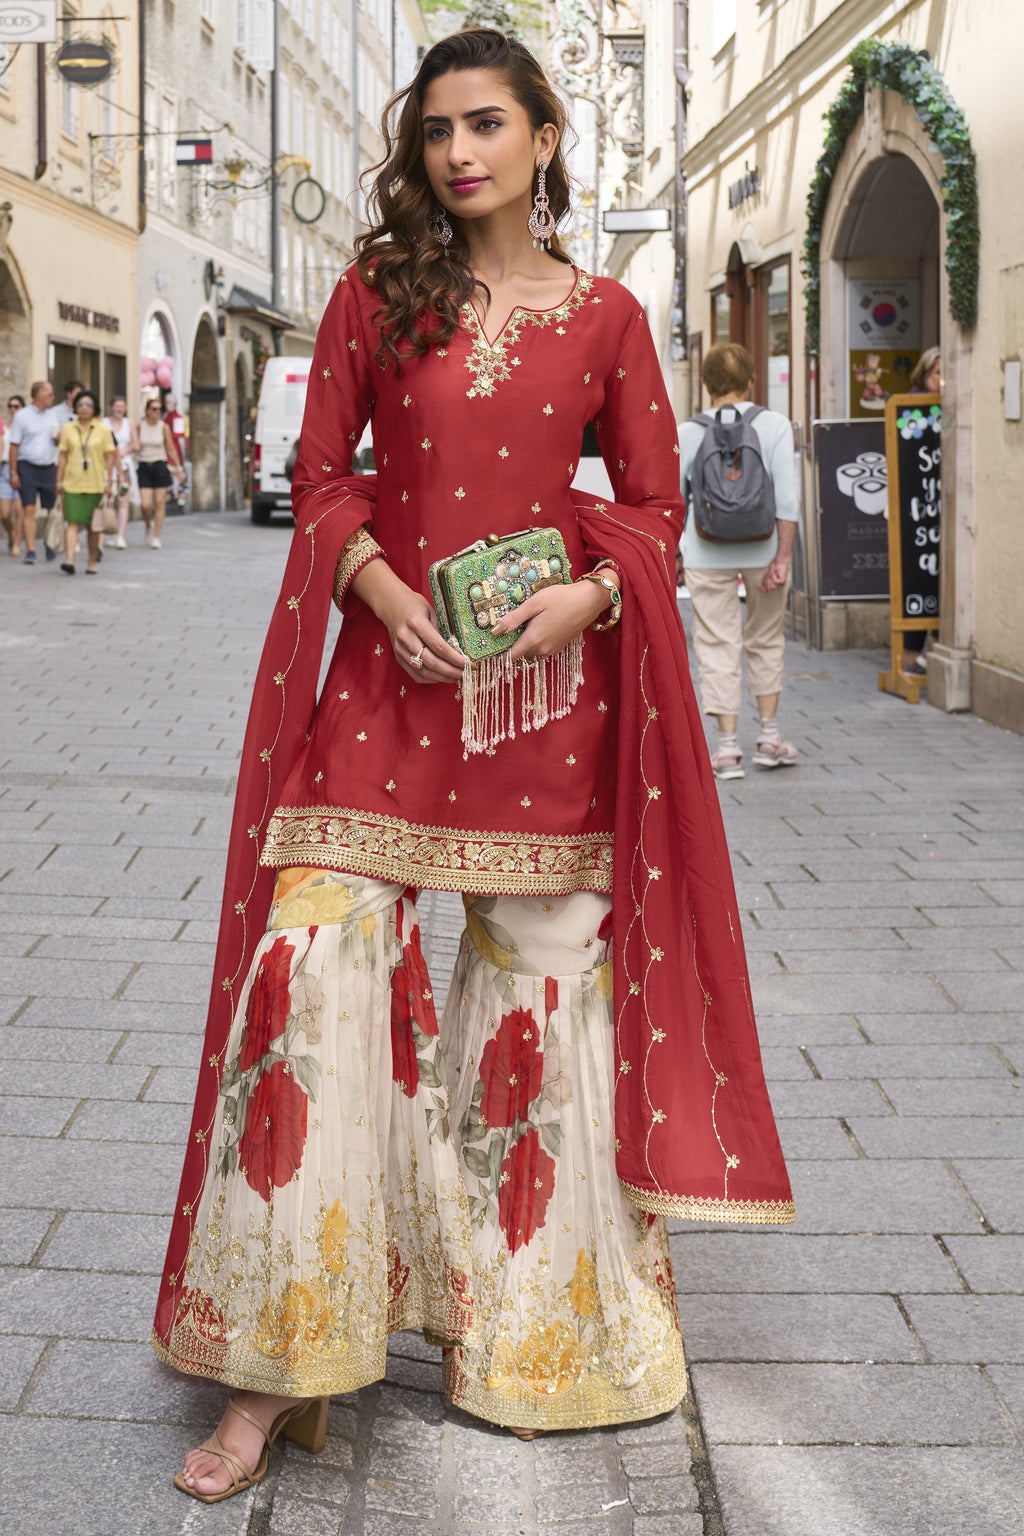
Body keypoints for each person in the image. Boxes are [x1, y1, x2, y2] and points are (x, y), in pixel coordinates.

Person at [156, 28, 792, 1505]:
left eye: (488, 123)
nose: (459, 153)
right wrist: (385, 601)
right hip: (384, 701)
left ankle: (532, 1337)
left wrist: (572, 602)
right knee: (300, 982)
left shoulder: (611, 318)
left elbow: (647, 508)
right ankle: (277, 1361)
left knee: (543, 1017)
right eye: (438, 129)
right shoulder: (379, 294)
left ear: (547, 134)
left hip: (542, 719)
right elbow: (324, 485)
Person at [677, 343, 800, 780]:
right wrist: (782, 557)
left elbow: (675, 502)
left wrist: (675, 553)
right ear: (751, 380)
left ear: (708, 385)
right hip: (764, 549)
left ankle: (727, 750)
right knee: (766, 638)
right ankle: (769, 738)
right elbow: (787, 498)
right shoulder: (774, 425)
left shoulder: (689, 431)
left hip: (706, 552)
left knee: (716, 643)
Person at [903, 348, 943, 672]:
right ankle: (911, 654)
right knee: (917, 573)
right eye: (937, 375)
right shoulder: (911, 409)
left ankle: (934, 648)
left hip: (939, 506)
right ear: (924, 374)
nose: (942, 383)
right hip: (917, 509)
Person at [55, 388, 116, 575]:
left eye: (88, 405)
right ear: (75, 407)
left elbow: (109, 458)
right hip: (72, 482)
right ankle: (70, 560)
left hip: (95, 484)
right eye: (80, 404)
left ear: (94, 408)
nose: (84, 408)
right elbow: (63, 456)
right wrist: (59, 480)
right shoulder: (68, 428)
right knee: (72, 522)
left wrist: (108, 483)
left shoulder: (103, 429)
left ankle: (91, 562)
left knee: (92, 526)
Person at [8, 380, 60, 564]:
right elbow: (13, 446)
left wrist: (58, 439)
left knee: (49, 510)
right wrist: (13, 472)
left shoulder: (52, 415)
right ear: (39, 395)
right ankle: (30, 549)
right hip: (27, 466)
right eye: (49, 395)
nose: (52, 398)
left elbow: (58, 443)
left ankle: (48, 542)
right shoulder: (21, 416)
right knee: (29, 508)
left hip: (48, 467)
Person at [137, 394, 184, 547]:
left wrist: (179, 469)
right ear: (147, 411)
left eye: (159, 409)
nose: (157, 412)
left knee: (159, 502)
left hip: (160, 465)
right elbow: (135, 445)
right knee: (145, 504)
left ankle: (156, 536)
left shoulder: (164, 427)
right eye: (154, 409)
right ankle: (148, 525)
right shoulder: (139, 426)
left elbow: (171, 449)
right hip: (144, 465)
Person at [103, 394, 140, 548]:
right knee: (108, 500)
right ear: (111, 407)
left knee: (123, 500)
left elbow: (136, 445)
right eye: (117, 406)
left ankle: (120, 535)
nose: (119, 409)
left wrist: (123, 451)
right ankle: (108, 531)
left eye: (122, 407)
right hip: (107, 466)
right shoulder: (103, 423)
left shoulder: (128, 423)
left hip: (124, 466)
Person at [0, 393, 25, 556]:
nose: (12, 409)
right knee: (5, 514)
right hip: (5, 468)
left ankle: (16, 544)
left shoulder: (25, 427)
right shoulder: (5, 427)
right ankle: (12, 532)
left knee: (20, 511)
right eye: (10, 406)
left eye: (16, 406)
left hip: (23, 468)